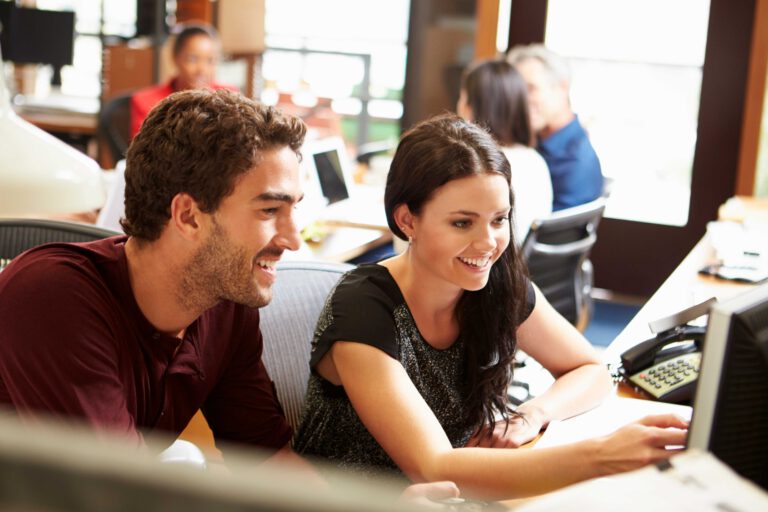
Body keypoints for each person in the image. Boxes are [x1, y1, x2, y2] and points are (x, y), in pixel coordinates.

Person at [0, 88, 459, 505]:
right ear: (188, 216)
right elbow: (116, 497)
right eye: (269, 210)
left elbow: (268, 463)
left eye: (293, 209)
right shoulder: (52, 298)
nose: (293, 238)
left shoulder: (227, 308)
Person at [292, 114, 688, 499]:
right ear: (407, 220)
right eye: (462, 223)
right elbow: (435, 467)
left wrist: (534, 413)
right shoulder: (364, 306)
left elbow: (589, 370)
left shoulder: (496, 284)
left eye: (499, 220)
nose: (488, 244)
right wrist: (602, 455)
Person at [457, 58, 552, 242]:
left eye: (462, 97)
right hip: (517, 267)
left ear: (469, 109)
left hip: (483, 265)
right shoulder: (535, 161)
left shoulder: (476, 166)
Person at [507, 44, 603, 211]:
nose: (521, 100)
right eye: (517, 91)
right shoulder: (535, 141)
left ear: (562, 88)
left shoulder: (575, 160)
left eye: (531, 88)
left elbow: (550, 234)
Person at [129, 22, 237, 138]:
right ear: (175, 57)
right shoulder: (146, 102)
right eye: (193, 59)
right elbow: (145, 149)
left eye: (210, 60)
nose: (202, 69)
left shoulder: (228, 97)